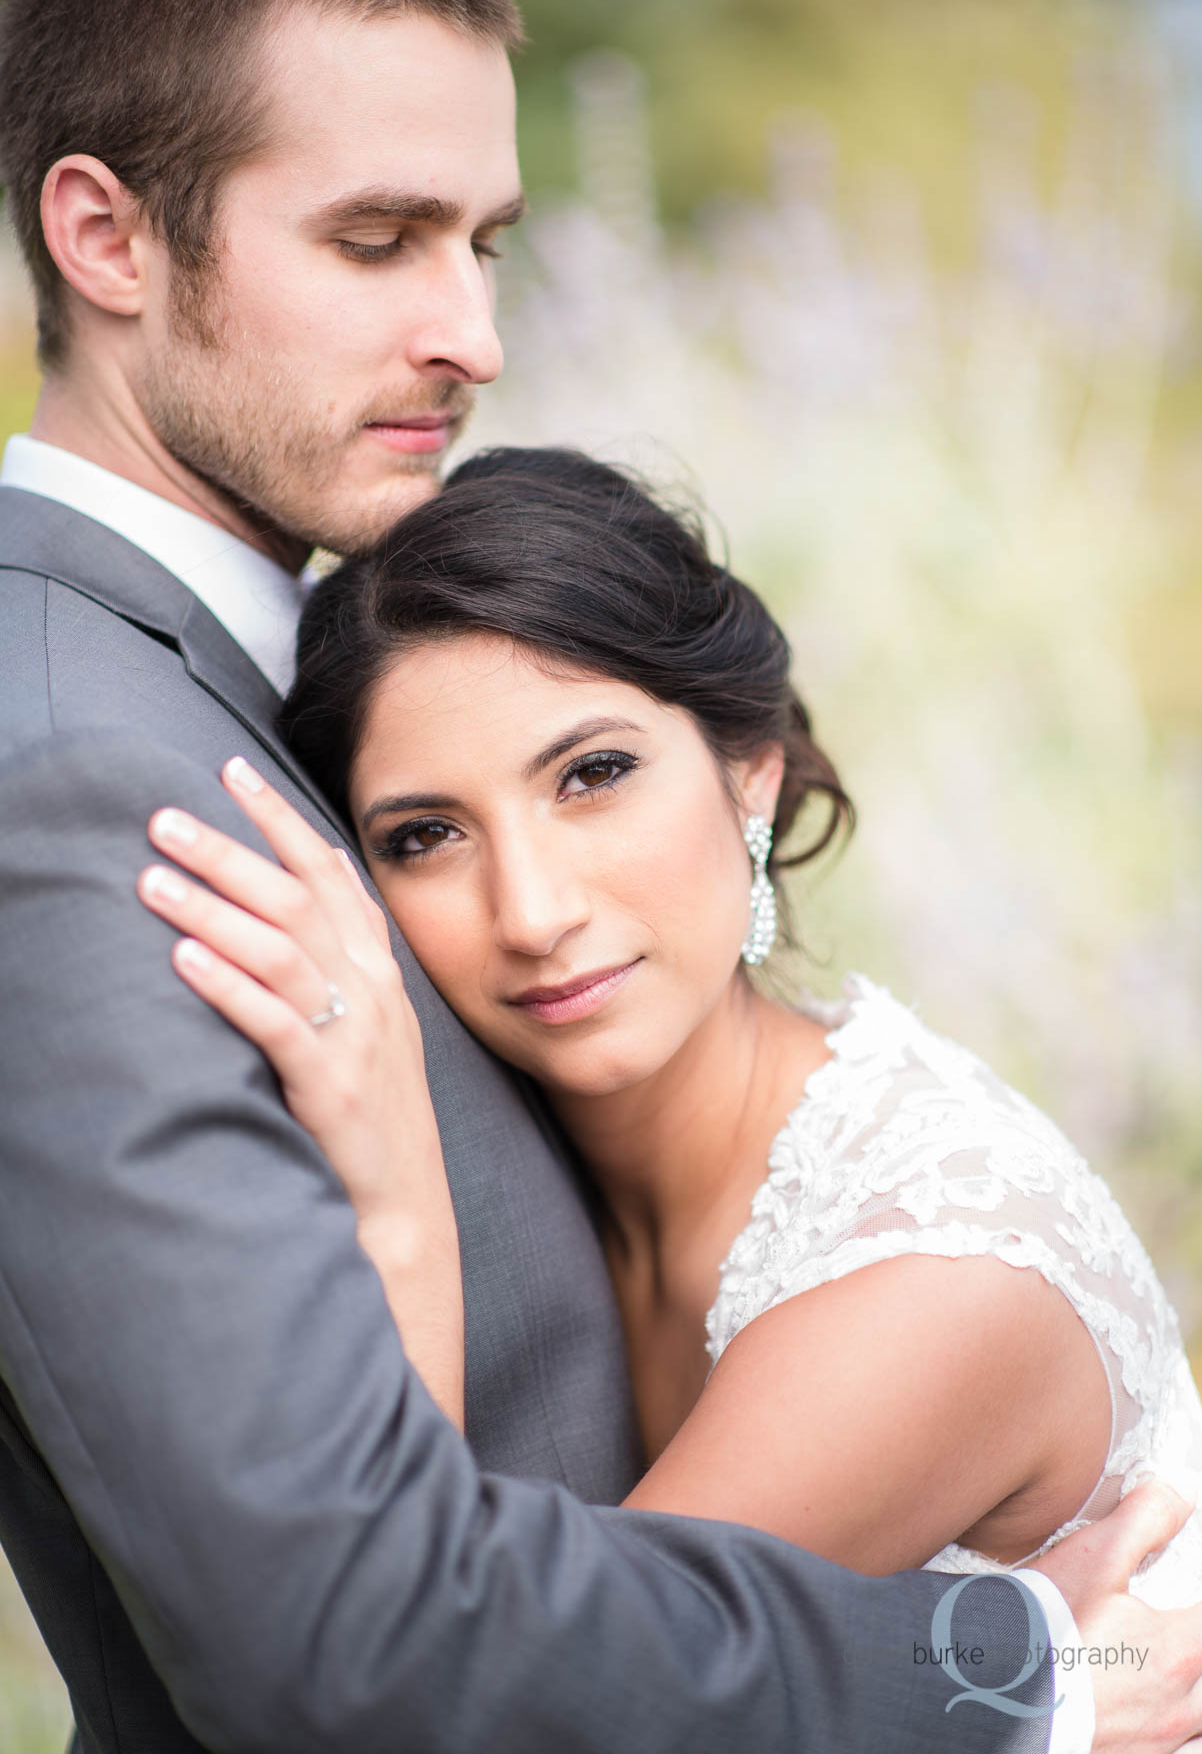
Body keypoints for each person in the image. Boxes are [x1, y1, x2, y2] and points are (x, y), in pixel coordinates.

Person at [0, 0, 1197, 1748]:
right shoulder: (79, 760)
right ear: (105, 237)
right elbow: (359, 1647)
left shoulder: (242, 683)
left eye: (481, 242)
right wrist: (1018, 1680)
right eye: (376, 238)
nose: (470, 334)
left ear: (753, 770)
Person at [137, 442, 1202, 1615]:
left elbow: (479, 1704)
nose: (534, 914)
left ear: (747, 770)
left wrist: (397, 1213)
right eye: (425, 836)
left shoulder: (932, 1282)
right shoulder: (541, 1150)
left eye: (592, 773)